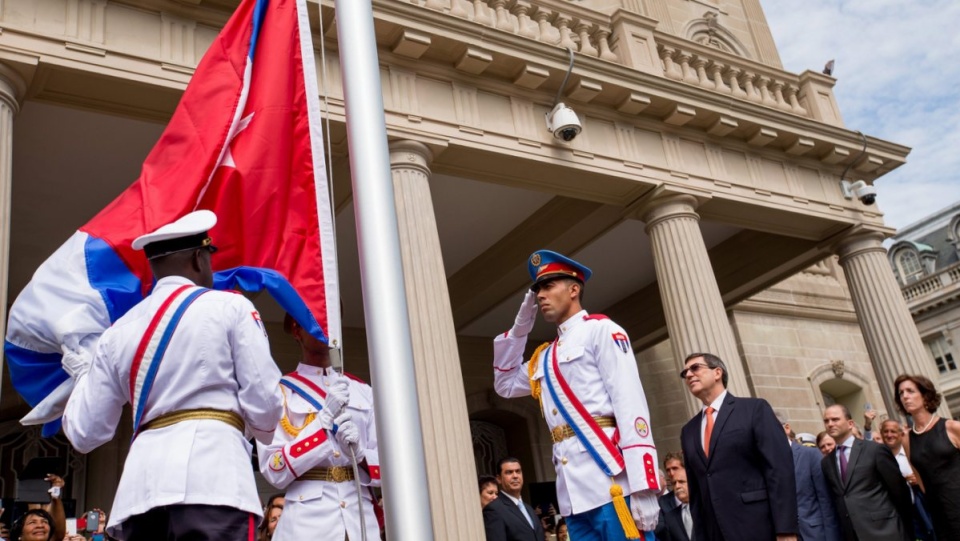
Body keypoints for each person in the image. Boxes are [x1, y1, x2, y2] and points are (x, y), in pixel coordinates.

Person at [62, 210, 284, 540]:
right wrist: (263, 432)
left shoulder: (117, 332)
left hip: (140, 492)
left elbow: (85, 433)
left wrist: (82, 373)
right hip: (215, 480)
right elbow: (265, 402)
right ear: (198, 258)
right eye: (209, 258)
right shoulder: (230, 307)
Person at [492, 250, 661, 540]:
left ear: (573, 289)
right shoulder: (543, 357)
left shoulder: (601, 330)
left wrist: (644, 485)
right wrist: (522, 324)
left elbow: (630, 403)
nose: (540, 296)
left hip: (612, 483)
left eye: (547, 286)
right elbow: (504, 382)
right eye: (536, 291)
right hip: (572, 494)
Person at [257, 314, 380, 541]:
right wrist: (321, 427)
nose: (327, 328)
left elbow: (391, 464)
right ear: (297, 330)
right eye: (316, 319)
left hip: (359, 517)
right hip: (307, 524)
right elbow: (273, 469)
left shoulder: (362, 390)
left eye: (332, 320)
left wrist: (362, 456)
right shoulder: (281, 393)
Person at [678, 353, 798, 541]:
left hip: (759, 527)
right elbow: (696, 492)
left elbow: (779, 470)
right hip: (715, 533)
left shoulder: (754, 409)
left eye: (695, 368)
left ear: (717, 372)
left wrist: (786, 529)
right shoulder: (689, 431)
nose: (689, 375)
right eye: (685, 372)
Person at [820, 404, 913, 541]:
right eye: (827, 421)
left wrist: (904, 528)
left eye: (835, 419)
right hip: (852, 534)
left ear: (850, 423)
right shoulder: (826, 462)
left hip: (886, 530)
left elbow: (899, 491)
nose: (830, 424)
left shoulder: (874, 450)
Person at [896, 374, 960, 540]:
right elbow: (920, 478)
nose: (905, 396)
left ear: (925, 395)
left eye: (910, 391)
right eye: (901, 393)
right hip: (941, 515)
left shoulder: (952, 427)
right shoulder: (906, 439)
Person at [776, 411, 841, 541]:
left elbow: (826, 501)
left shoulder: (810, 455)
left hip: (815, 534)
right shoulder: (765, 462)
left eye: (773, 428)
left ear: (787, 428)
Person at [879, 419, 935, 541]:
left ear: (901, 433)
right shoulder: (877, 458)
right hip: (898, 514)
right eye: (886, 431)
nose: (889, 435)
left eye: (893, 431)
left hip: (923, 507)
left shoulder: (913, 453)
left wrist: (919, 479)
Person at [483, 458, 545, 541]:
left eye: (518, 471)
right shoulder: (494, 510)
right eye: (509, 472)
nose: (515, 476)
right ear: (499, 479)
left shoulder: (529, 509)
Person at [655, 468, 693, 541]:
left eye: (681, 482)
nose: (677, 486)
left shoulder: (708, 509)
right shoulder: (670, 518)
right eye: (674, 483)